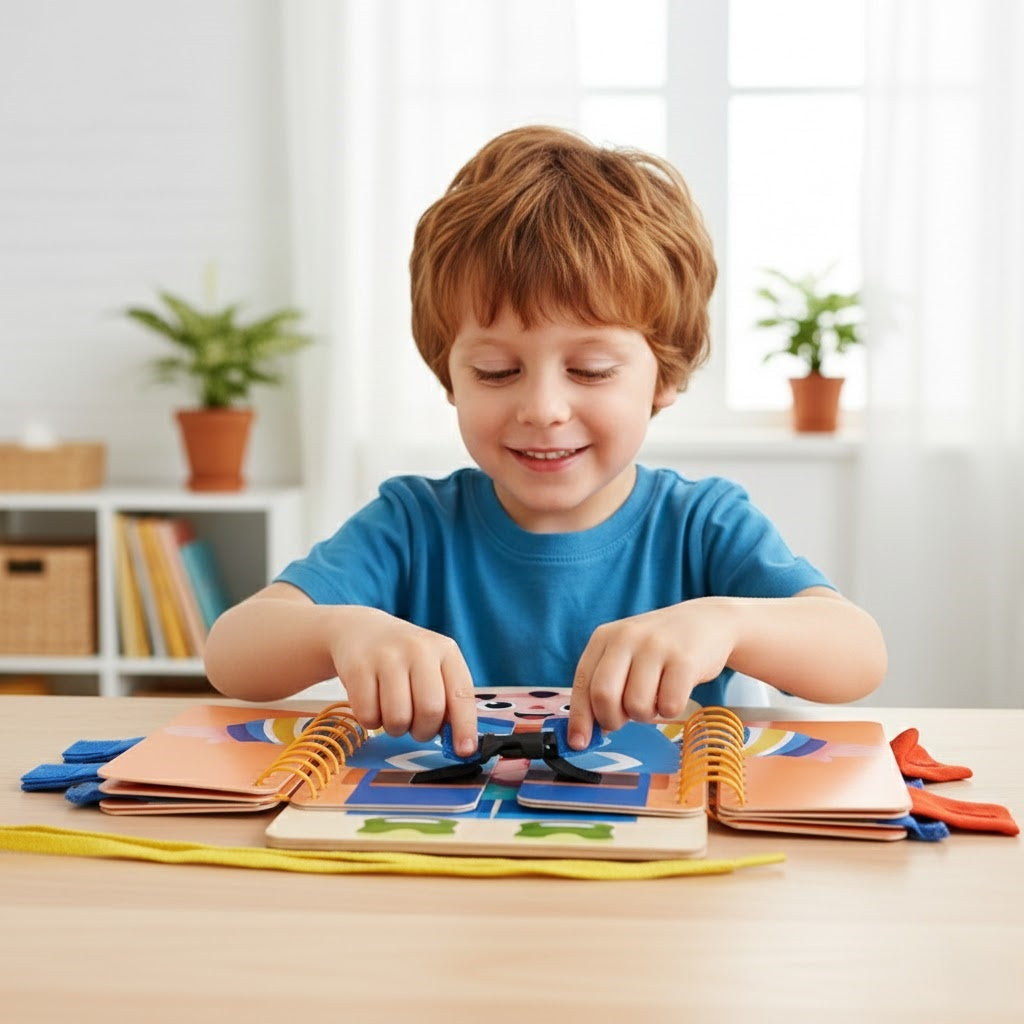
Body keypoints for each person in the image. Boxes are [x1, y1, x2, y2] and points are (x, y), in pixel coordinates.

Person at [204, 125, 887, 757]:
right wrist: (339, 631)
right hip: (446, 859)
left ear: (665, 375)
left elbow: (858, 653)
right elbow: (231, 651)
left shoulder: (702, 526)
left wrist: (728, 624)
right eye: (496, 371)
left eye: (590, 370)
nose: (543, 409)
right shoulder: (412, 525)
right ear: (450, 376)